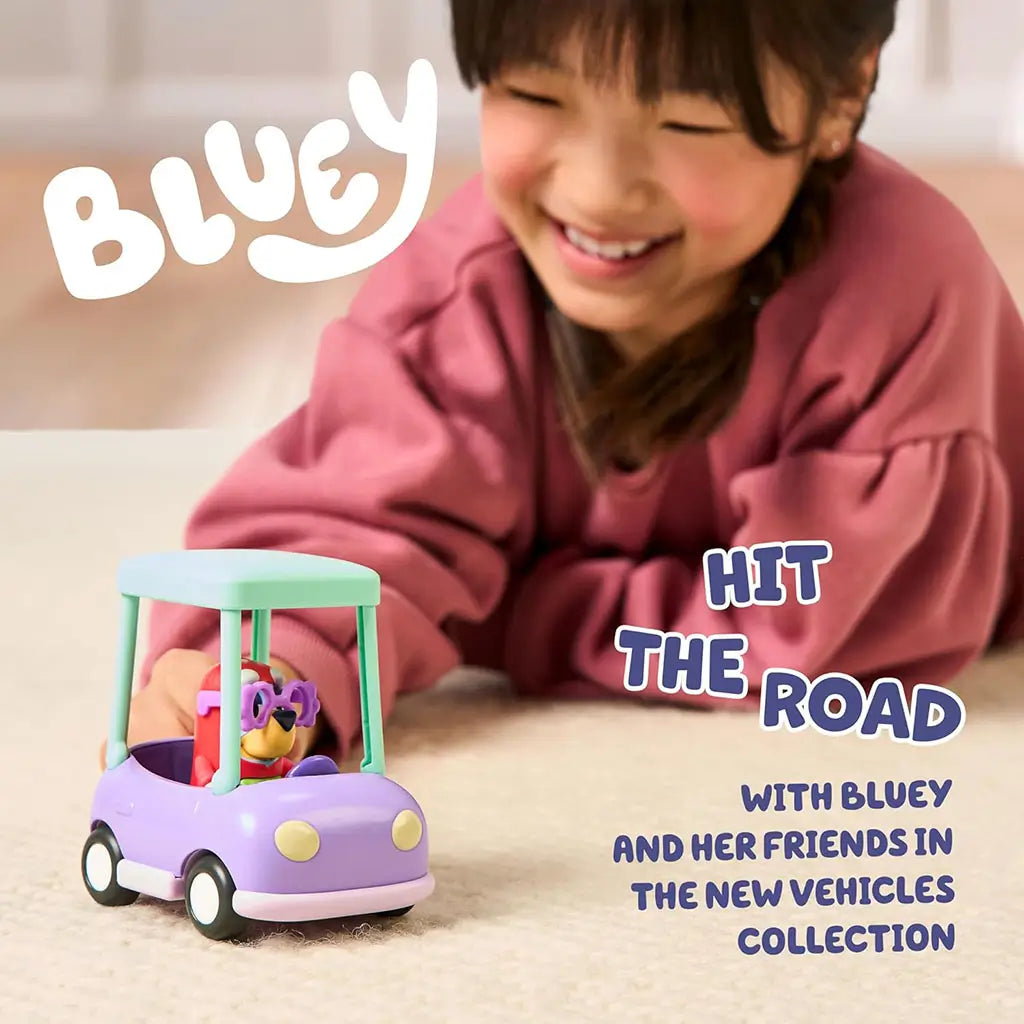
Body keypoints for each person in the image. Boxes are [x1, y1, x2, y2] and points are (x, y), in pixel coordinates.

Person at [106, 0, 1024, 766]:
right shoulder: (459, 294)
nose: (597, 190)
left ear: (842, 95)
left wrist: (523, 612)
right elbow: (338, 535)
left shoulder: (903, 292)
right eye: (538, 94)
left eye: (689, 121)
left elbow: (827, 639)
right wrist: (255, 675)